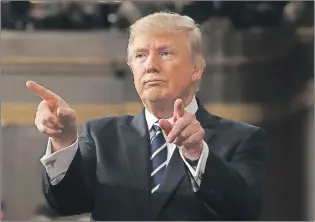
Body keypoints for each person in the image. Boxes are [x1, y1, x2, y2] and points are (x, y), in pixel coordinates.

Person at [26, 12, 267, 221]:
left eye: (165, 53)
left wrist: (197, 154)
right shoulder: (101, 136)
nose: (150, 65)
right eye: (140, 56)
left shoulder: (242, 139)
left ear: (196, 69)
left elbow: (244, 209)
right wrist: (63, 141)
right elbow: (67, 203)